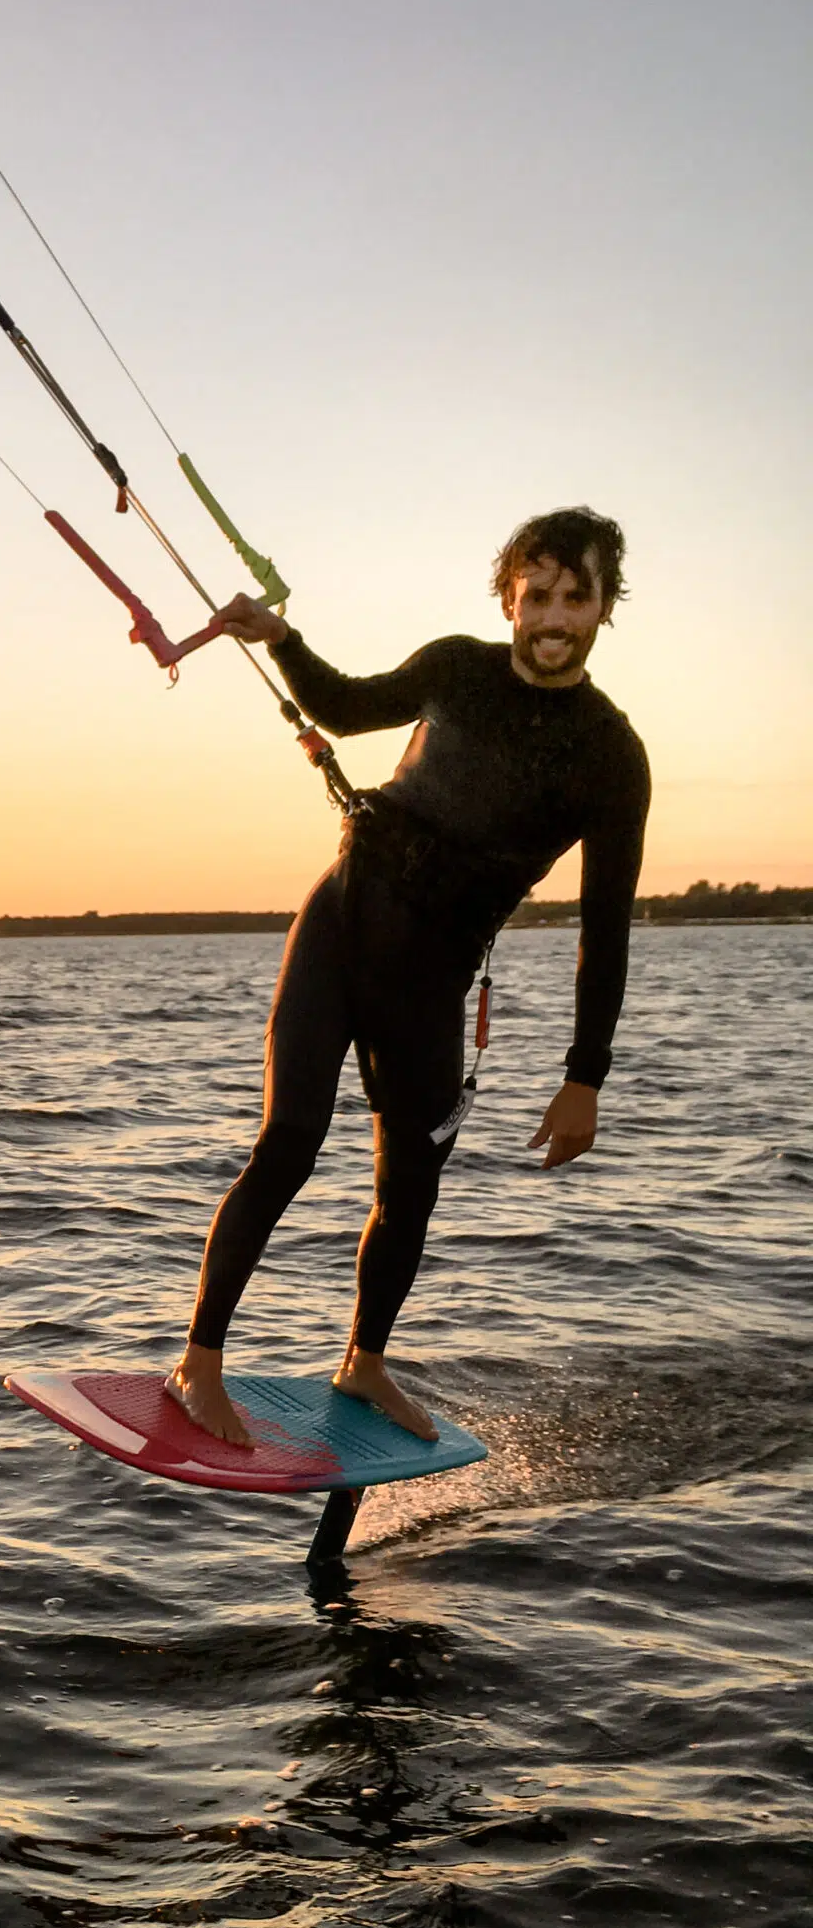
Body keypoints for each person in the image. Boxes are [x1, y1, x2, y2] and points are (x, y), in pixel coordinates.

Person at [169, 506, 650, 1447]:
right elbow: (347, 707)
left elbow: (607, 925)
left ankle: (364, 1365)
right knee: (291, 1141)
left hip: (433, 979)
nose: (553, 617)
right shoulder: (457, 668)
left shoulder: (610, 756)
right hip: (342, 926)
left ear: (603, 606)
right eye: (537, 596)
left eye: (574, 598)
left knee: (411, 1185)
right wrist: (284, 640)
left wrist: (585, 1075)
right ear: (510, 599)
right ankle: (200, 1362)